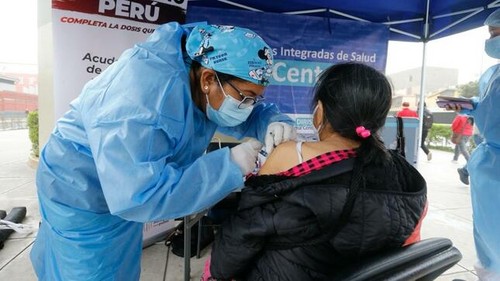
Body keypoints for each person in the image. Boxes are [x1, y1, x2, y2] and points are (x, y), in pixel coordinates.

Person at [29, 23, 297, 280]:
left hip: (122, 181)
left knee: (116, 263)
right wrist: (228, 166)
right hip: (81, 188)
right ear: (207, 79)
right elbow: (139, 197)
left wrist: (270, 121)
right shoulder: (142, 100)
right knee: (89, 270)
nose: (249, 106)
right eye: (246, 98)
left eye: (257, 99)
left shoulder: (199, 76)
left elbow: (237, 109)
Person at [202, 63, 427, 281]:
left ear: (320, 112)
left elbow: (244, 231)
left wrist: (215, 272)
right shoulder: (403, 172)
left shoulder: (291, 154)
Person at [446, 9, 500, 280]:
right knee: (487, 231)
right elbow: (490, 108)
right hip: (488, 164)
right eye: (489, 33)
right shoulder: (492, 73)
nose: (491, 39)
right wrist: (469, 106)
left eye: (496, 32)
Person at [450, 114, 473, 185]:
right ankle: (455, 158)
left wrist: (454, 131)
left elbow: (454, 124)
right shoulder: (471, 116)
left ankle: (469, 161)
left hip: (461, 133)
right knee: (459, 146)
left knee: (463, 149)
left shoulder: (460, 115)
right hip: (469, 134)